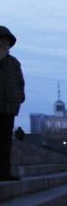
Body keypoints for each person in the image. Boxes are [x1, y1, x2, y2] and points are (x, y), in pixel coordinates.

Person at [0, 26, 25, 182]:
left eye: (7, 42)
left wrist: (20, 98)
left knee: (5, 143)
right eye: (2, 41)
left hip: (9, 109)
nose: (5, 45)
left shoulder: (14, 63)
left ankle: (4, 172)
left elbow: (20, 83)